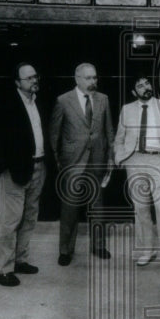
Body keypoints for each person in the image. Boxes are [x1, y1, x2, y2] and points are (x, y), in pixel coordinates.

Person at [114, 76, 160, 271]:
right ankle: (147, 250)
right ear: (133, 92)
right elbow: (119, 139)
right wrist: (120, 157)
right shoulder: (126, 109)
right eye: (140, 85)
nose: (145, 87)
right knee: (141, 208)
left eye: (147, 83)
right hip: (134, 161)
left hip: (159, 159)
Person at [49, 62, 115, 265]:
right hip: (72, 162)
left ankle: (99, 245)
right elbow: (54, 133)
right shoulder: (63, 101)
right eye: (88, 78)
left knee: (97, 206)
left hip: (97, 161)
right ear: (77, 79)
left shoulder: (103, 99)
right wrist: (59, 160)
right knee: (69, 207)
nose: (93, 81)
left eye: (95, 77)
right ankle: (65, 250)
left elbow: (109, 132)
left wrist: (111, 158)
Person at [0, 62, 47, 287]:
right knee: (11, 221)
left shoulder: (37, 102)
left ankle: (20, 261)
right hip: (16, 170)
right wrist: (7, 166)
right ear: (17, 83)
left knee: (30, 218)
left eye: (35, 76)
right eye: (29, 78)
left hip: (38, 167)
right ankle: (1, 269)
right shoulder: (6, 105)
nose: (34, 81)